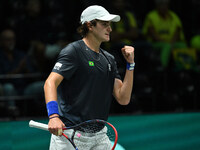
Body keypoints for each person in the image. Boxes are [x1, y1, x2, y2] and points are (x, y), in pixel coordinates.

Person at [44, 5, 135, 150]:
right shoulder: (73, 51)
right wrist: (53, 116)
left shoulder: (109, 59)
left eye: (109, 25)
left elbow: (123, 99)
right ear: (89, 25)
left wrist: (130, 65)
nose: (110, 29)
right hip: (70, 134)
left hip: (99, 136)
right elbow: (50, 83)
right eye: (104, 24)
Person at [142, 0, 187, 68]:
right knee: (167, 46)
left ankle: (185, 67)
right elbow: (153, 34)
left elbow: (177, 31)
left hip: (172, 42)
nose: (163, 7)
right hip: (156, 43)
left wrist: (172, 43)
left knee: (182, 45)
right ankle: (163, 67)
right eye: (161, 4)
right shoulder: (151, 16)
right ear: (157, 6)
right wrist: (167, 43)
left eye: (165, 4)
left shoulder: (173, 16)